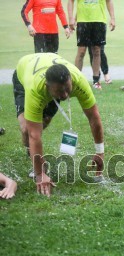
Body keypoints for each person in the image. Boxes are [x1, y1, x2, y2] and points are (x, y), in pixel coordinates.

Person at [13, 53, 105, 197]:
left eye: (68, 89)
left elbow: (94, 117)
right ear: (47, 87)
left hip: (49, 70)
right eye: (59, 91)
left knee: (45, 121)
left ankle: (34, 154)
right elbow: (34, 135)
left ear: (70, 80)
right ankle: (32, 156)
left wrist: (100, 152)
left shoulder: (78, 80)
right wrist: (40, 174)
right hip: (24, 70)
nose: (65, 95)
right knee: (27, 130)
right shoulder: (35, 89)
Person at [68, 0, 116, 90]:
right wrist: (71, 18)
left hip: (99, 20)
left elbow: (109, 1)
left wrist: (112, 18)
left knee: (97, 51)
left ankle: (96, 81)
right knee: (81, 51)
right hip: (83, 21)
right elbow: (70, 1)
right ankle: (76, 81)